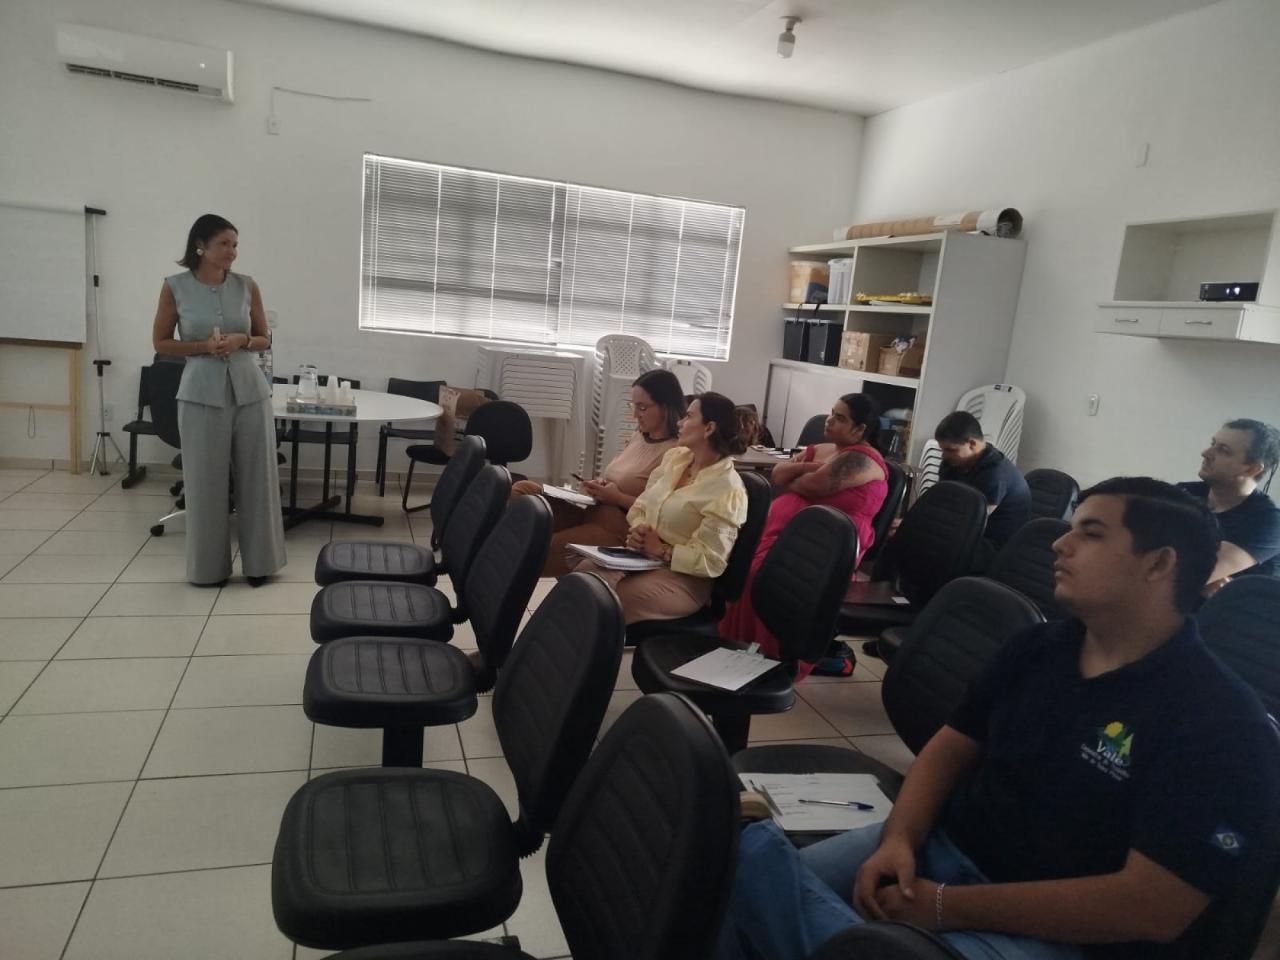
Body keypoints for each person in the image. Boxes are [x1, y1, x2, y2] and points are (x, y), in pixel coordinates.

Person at [713, 477, 1280, 960]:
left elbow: (1151, 907)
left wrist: (945, 907)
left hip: (1057, 929)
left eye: (1090, 533)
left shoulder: (1220, 724)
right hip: (943, 848)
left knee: (762, 879)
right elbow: (950, 747)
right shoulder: (1041, 647)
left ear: (1159, 563)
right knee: (727, 891)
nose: (1060, 543)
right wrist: (899, 839)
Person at [152, 214, 286, 587]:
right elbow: (161, 342)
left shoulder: (247, 286)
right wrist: (202, 347)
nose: (232, 251)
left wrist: (242, 340)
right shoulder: (175, 287)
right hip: (200, 394)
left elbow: (264, 338)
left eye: (235, 244)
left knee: (258, 478)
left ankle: (261, 565)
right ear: (201, 246)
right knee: (204, 483)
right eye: (224, 244)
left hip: (250, 392)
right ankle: (208, 570)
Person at [719, 394, 889, 680]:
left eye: (840, 418)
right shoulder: (825, 449)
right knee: (743, 565)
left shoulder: (861, 460)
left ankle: (768, 653)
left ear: (860, 429)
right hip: (788, 533)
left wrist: (799, 473)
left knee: (761, 576)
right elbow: (778, 474)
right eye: (831, 413)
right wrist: (808, 468)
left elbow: (813, 486)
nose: (829, 420)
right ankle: (738, 643)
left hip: (824, 546)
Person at [576, 392, 748, 624]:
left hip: (684, 579)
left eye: (688, 416)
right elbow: (641, 506)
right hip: (645, 559)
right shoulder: (676, 458)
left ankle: (581, 645)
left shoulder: (727, 489)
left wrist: (662, 550)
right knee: (584, 573)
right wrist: (640, 530)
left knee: (607, 600)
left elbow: (712, 561)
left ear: (709, 428)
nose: (680, 422)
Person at [512, 369, 684, 577]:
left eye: (642, 407)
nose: (634, 415)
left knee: (531, 553)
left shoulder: (675, 452)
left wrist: (617, 497)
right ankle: (496, 546)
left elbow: (661, 512)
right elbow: (619, 477)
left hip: (619, 529)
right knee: (524, 491)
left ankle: (506, 566)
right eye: (632, 406)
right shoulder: (639, 436)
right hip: (594, 512)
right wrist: (601, 486)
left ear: (665, 407)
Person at [1176, 418, 1280, 590]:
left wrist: (1197, 579)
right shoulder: (1182, 494)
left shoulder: (1268, 523)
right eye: (1213, 444)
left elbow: (1185, 577)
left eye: (1223, 450)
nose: (1206, 453)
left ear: (1252, 469)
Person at [935, 410, 1031, 560]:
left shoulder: (995, 473)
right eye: (942, 450)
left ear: (972, 444)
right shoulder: (952, 463)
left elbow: (971, 523)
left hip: (995, 546)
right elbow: (940, 503)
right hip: (968, 534)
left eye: (950, 450)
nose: (944, 456)